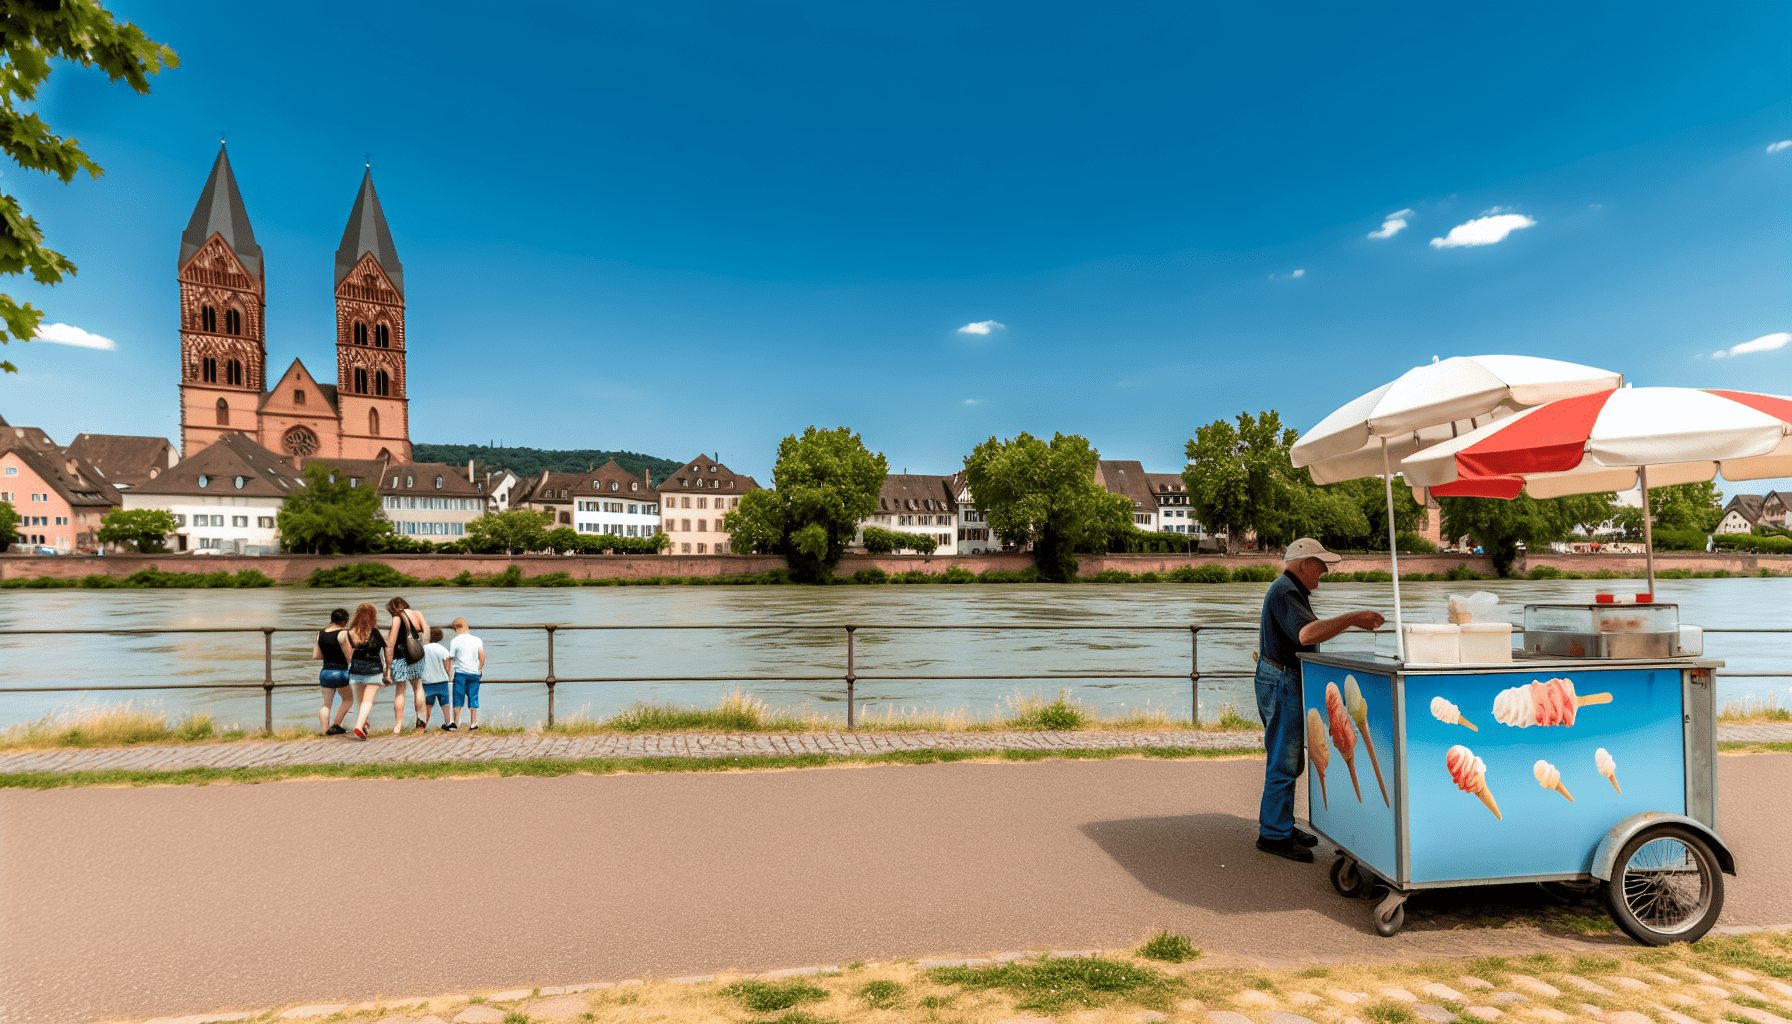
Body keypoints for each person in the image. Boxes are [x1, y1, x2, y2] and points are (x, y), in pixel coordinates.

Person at [1255, 538, 1385, 862]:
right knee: (1284, 760)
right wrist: (1353, 618)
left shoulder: (1289, 590)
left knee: (1288, 759)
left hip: (1280, 677)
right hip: (1283, 680)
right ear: (1304, 565)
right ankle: (1273, 835)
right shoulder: (1287, 591)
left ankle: (1281, 824)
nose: (1324, 572)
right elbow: (1306, 635)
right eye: (1321, 566)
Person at [385, 597, 430, 735]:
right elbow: (426, 633)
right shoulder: (417, 614)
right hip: (416, 655)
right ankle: (421, 722)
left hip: (401, 656)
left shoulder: (397, 618)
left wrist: (388, 664)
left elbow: (391, 643)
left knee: (400, 690)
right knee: (418, 687)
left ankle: (398, 726)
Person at [343, 602, 387, 740]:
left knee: (360, 701)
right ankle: (359, 726)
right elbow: (384, 649)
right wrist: (388, 670)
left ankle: (363, 726)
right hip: (374, 670)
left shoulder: (350, 633)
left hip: (356, 669)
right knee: (368, 701)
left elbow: (348, 656)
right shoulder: (375, 632)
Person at [312, 607, 354, 735]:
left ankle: (325, 730)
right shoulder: (343, 634)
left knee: (326, 704)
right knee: (348, 700)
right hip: (341, 671)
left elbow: (316, 656)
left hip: (326, 672)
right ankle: (336, 725)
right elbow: (349, 657)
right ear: (345, 621)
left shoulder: (321, 633)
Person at [448, 617, 486, 732]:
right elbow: (482, 656)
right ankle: (473, 723)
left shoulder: (455, 641)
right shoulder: (477, 640)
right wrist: (480, 669)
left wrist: (449, 672)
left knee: (457, 697)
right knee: (473, 696)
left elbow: (450, 657)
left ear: (457, 629)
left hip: (460, 673)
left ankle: (455, 723)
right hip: (474, 673)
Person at [419, 626, 455, 731]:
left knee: (428, 705)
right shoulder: (442, 649)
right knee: (445, 703)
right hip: (442, 681)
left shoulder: (424, 649)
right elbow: (447, 666)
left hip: (427, 682)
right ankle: (448, 723)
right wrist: (449, 676)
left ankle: (423, 725)